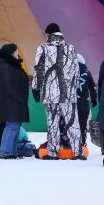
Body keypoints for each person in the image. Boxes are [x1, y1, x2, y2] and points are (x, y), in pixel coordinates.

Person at [33, 23, 82, 159]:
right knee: (73, 122)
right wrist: (74, 88)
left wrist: (35, 88)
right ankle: (78, 152)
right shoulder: (71, 48)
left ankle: (52, 152)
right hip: (69, 93)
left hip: (51, 92)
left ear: (48, 34)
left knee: (52, 122)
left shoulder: (43, 48)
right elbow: (76, 71)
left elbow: (39, 69)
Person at [0, 43, 29, 159]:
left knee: (12, 127)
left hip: (1, 108)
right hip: (11, 105)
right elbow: (11, 89)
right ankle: (7, 152)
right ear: (11, 54)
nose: (18, 54)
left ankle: (10, 151)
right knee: (11, 127)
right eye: (16, 52)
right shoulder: (10, 70)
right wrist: (20, 99)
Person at [75, 54, 97, 146]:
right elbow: (92, 87)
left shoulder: (68, 71)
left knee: (71, 124)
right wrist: (94, 99)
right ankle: (82, 143)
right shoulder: (87, 71)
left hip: (71, 103)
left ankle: (71, 144)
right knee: (83, 124)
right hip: (83, 103)